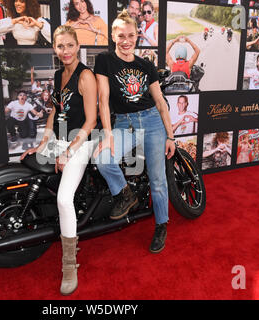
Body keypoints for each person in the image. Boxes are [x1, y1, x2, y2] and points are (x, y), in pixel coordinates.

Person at [20, 25, 98, 295]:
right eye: (59, 46)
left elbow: (91, 120)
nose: (65, 51)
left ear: (77, 46)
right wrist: (43, 144)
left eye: (69, 45)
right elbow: (55, 110)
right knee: (30, 162)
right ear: (54, 48)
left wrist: (68, 151)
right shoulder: (57, 74)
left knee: (64, 198)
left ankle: (69, 264)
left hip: (84, 140)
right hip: (63, 138)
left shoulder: (85, 76)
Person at [93, 10, 175, 254]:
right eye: (121, 36)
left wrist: (171, 136)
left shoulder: (146, 65)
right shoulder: (104, 60)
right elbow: (103, 99)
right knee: (103, 159)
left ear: (137, 36)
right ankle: (125, 194)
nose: (126, 40)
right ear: (113, 36)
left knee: (158, 180)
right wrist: (107, 134)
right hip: (124, 123)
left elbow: (160, 102)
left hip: (151, 121)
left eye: (131, 35)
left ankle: (161, 224)